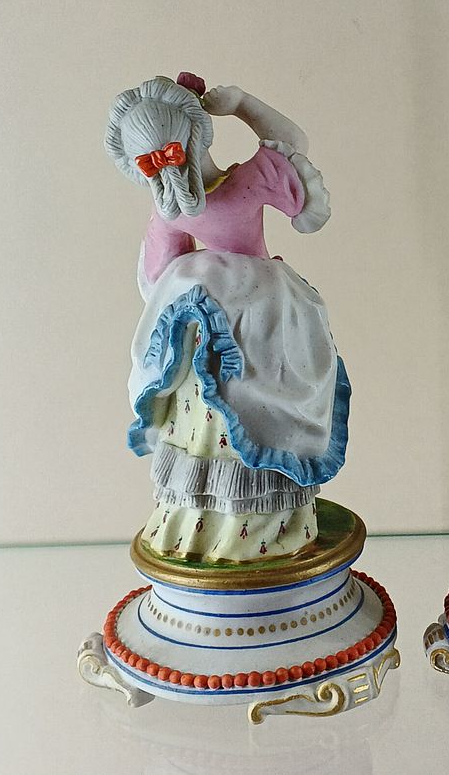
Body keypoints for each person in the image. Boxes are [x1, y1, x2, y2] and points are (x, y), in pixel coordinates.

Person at [105, 73, 346, 563]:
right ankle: (246, 525)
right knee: (259, 395)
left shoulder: (173, 209)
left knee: (215, 403)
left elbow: (155, 276)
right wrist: (241, 104)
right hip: (259, 306)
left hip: (203, 312)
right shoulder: (244, 181)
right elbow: (292, 142)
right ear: (200, 131)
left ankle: (213, 522)